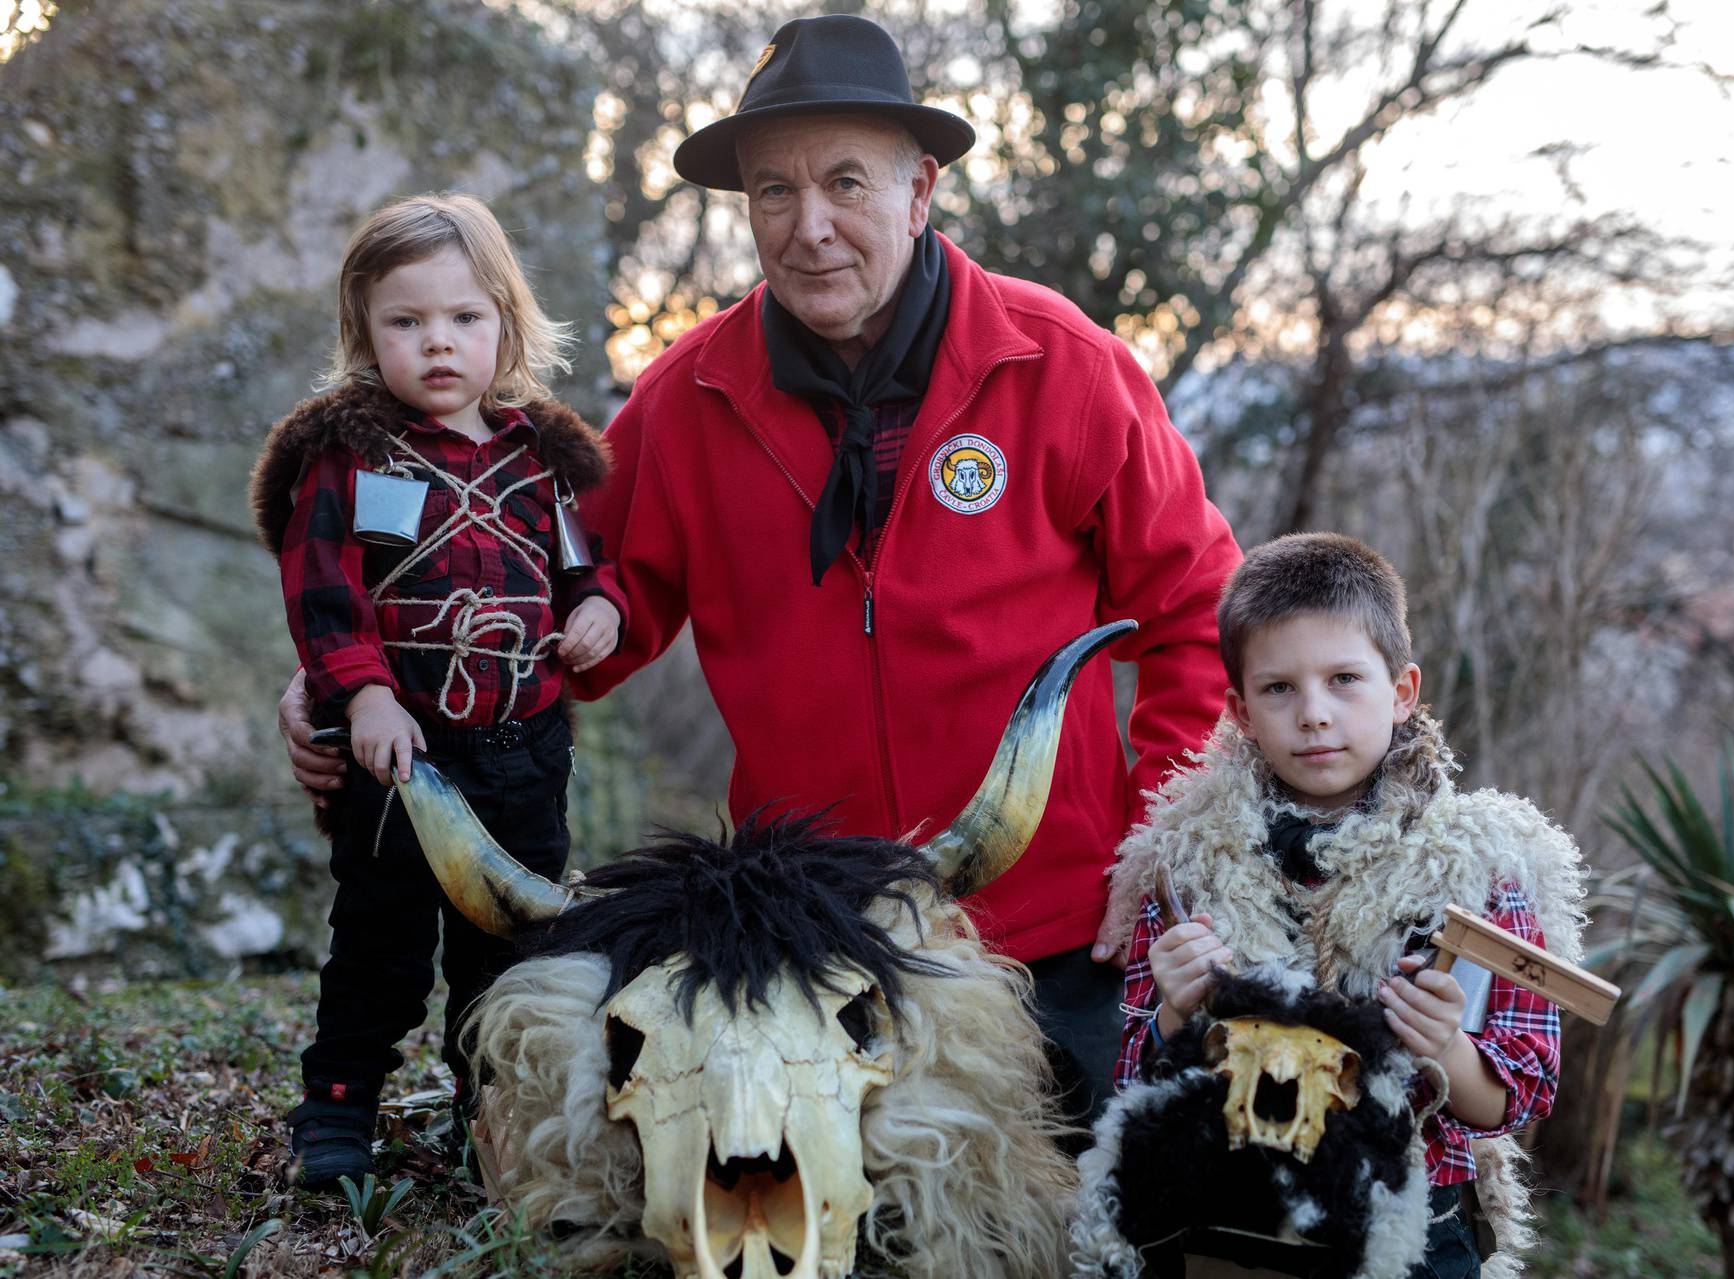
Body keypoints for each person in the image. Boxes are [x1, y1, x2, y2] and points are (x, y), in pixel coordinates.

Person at [279, 14, 1240, 1126]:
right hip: (802, 941)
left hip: (1059, 927)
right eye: (774, 192)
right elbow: (546, 605)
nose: (810, 226)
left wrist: (1161, 845)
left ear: (919, 190)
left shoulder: (1065, 363)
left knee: (1086, 1201)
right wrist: (348, 674)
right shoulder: (684, 400)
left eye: (845, 183)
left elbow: (1199, 611)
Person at [249, 193, 628, 1189]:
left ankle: (491, 1108)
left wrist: (602, 611)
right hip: (403, 756)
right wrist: (364, 697)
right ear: (365, 335)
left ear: (505, 319)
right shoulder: (355, 455)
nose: (438, 343)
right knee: (380, 940)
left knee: (509, 946)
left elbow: (585, 567)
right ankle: (336, 1108)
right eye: (406, 322)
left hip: (523, 749)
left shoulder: (541, 460)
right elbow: (325, 594)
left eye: (463, 317)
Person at [1108, 533, 1589, 1276]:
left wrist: (1445, 1047)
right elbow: (1136, 1080)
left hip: (1416, 1223)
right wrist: (1174, 1012)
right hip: (1235, 1225)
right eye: (1279, 688)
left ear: (1401, 692)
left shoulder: (1476, 867)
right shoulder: (1186, 866)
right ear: (1238, 710)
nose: (1313, 714)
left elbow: (1517, 1095)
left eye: (1343, 679)